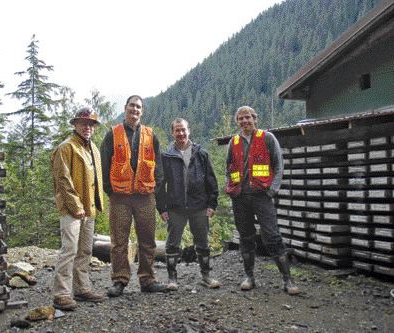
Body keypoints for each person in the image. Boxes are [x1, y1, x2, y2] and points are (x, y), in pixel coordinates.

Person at [225, 106, 300, 295]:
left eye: (247, 118)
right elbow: (228, 168)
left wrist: (273, 190)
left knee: (272, 235)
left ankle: (287, 279)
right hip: (240, 197)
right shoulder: (233, 142)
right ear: (237, 122)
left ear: (254, 119)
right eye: (240, 119)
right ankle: (249, 277)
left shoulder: (267, 138)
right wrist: (230, 188)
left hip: (262, 195)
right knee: (245, 236)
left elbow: (278, 164)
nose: (244, 121)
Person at [100, 95, 167, 297]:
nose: (135, 110)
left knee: (147, 240)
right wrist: (110, 191)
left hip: (145, 196)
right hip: (120, 196)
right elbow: (104, 164)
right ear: (125, 108)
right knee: (119, 241)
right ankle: (119, 280)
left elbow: (159, 167)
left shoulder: (150, 135)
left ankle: (147, 279)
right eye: (132, 106)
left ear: (142, 111)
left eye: (138, 107)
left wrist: (154, 191)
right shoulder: (113, 134)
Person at [51, 107, 105, 311]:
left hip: (89, 209)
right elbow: (62, 180)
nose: (87, 127)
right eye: (83, 123)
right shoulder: (66, 148)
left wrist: (96, 206)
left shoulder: (94, 149)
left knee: (85, 251)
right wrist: (76, 206)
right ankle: (61, 294)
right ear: (75, 124)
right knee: (69, 250)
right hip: (71, 210)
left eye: (91, 124)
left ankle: (82, 289)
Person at [157, 118, 220, 290]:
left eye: (183, 129)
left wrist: (212, 204)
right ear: (172, 133)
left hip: (199, 206)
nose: (181, 133)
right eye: (177, 130)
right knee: (172, 244)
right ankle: (172, 279)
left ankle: (206, 276)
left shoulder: (201, 153)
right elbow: (160, 184)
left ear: (189, 131)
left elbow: (211, 180)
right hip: (175, 207)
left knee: (203, 242)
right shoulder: (166, 156)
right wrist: (161, 208)